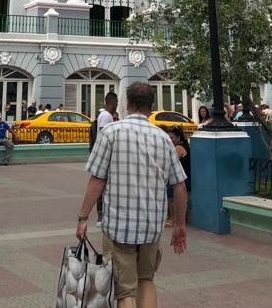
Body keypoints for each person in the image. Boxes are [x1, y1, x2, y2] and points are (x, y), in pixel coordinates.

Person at [76, 82, 187, 307]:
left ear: (127, 103)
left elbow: (98, 180)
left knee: (124, 289)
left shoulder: (110, 133)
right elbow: (180, 186)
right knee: (146, 279)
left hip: (119, 227)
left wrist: (83, 218)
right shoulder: (164, 138)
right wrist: (180, 225)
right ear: (151, 106)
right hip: (151, 226)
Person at [93, 92, 118, 225]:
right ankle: (100, 217)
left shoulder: (106, 115)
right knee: (101, 186)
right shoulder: (106, 116)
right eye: (117, 102)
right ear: (112, 102)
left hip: (105, 154)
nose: (118, 105)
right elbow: (104, 132)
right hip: (105, 155)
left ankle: (103, 216)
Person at [166, 126, 190, 227]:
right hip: (183, 178)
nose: (170, 140)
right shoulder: (180, 146)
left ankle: (173, 218)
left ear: (179, 138)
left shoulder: (179, 148)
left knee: (170, 188)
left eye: (172, 138)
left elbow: (169, 162)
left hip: (185, 179)